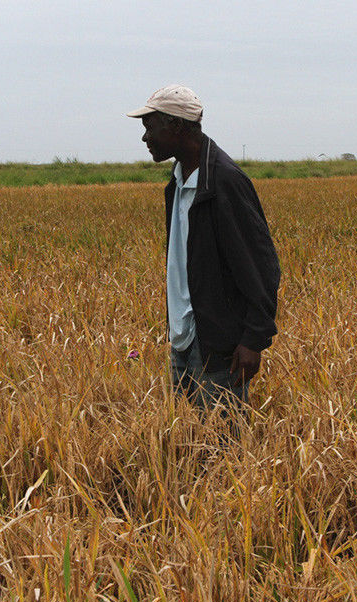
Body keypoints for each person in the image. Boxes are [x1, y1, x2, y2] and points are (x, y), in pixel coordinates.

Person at [127, 85, 280, 410]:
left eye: (150, 127)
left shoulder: (224, 182)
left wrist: (254, 340)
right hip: (184, 339)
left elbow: (262, 266)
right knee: (187, 444)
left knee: (223, 452)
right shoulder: (179, 180)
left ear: (177, 126)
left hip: (218, 346)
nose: (145, 138)